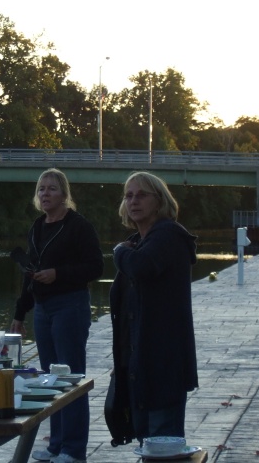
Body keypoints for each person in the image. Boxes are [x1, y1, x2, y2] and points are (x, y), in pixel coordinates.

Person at [10, 168, 103, 463]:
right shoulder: (37, 227)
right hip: (42, 309)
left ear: (64, 194)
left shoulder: (79, 226)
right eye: (41, 189)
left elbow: (96, 267)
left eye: (52, 188)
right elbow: (29, 273)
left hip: (70, 306)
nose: (45, 193)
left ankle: (73, 450)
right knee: (50, 379)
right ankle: (56, 445)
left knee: (70, 378)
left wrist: (58, 274)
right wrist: (19, 313)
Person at [109, 171, 198, 452]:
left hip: (163, 365)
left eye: (141, 195)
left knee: (162, 446)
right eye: (128, 195)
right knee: (147, 444)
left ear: (159, 201)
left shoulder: (167, 235)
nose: (133, 201)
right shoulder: (140, 241)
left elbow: (141, 267)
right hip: (142, 365)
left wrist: (119, 252)